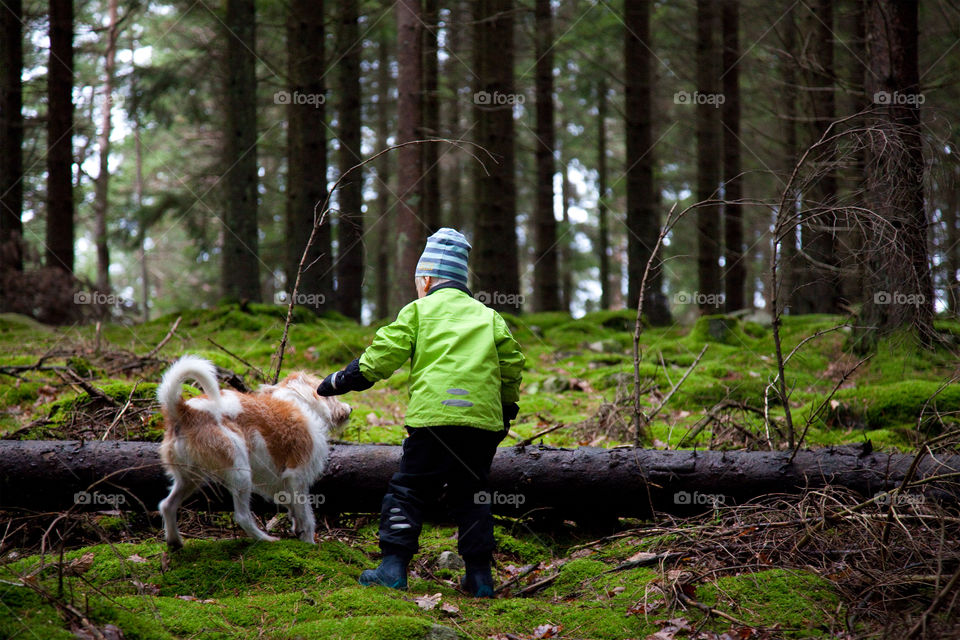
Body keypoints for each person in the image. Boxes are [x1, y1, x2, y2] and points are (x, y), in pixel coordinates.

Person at [316, 228, 525, 597]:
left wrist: (341, 380)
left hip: (433, 422)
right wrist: (506, 410)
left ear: (426, 279)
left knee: (409, 489)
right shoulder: (489, 317)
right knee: (472, 494)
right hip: (480, 424)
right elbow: (511, 365)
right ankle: (480, 578)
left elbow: (382, 355)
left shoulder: (419, 310)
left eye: (418, 281)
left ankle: (393, 568)